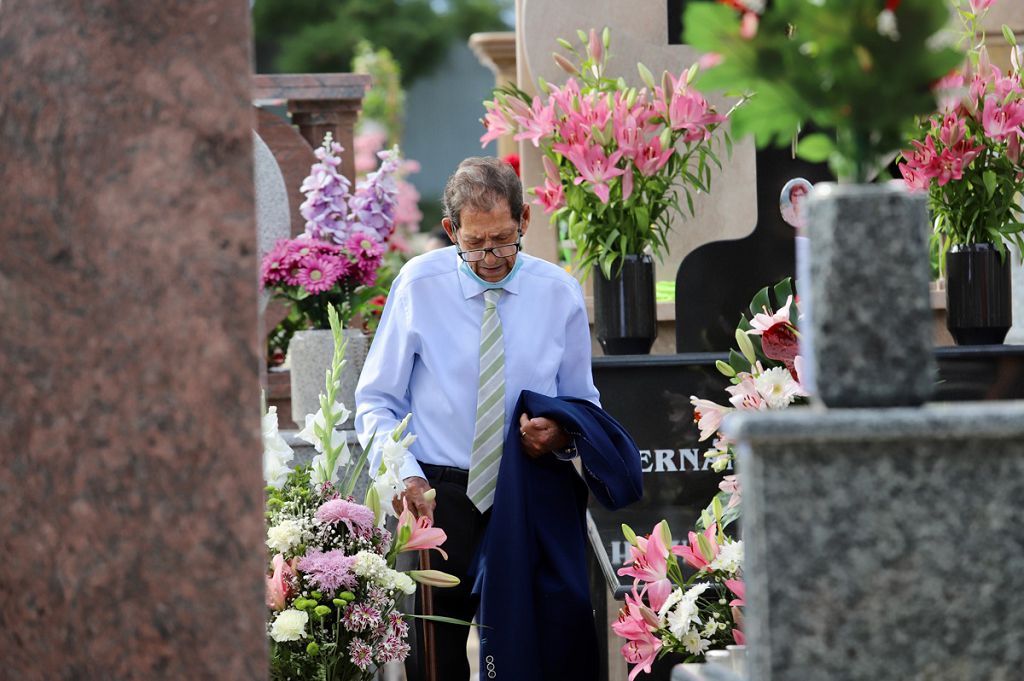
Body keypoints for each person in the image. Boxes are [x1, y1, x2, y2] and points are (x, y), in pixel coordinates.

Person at [354, 156, 601, 681]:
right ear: (450, 230)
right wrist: (405, 475)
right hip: (438, 498)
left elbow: (584, 404)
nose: (492, 257)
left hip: (527, 490)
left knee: (528, 655)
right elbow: (376, 401)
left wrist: (561, 433)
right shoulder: (419, 285)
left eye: (505, 240)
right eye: (475, 244)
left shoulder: (559, 293)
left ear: (526, 221)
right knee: (435, 659)